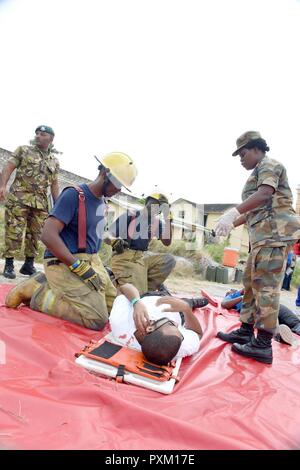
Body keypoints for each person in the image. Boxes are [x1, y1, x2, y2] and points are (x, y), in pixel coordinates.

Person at [5, 152, 138, 330]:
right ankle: (38, 291)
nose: (120, 190)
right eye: (119, 184)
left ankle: (53, 287)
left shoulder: (101, 202)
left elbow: (93, 231)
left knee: (112, 309)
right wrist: (77, 266)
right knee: (96, 319)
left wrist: (112, 240)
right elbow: (48, 235)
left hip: (91, 260)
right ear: (106, 174)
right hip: (63, 262)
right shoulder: (74, 195)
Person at [215, 131, 300, 364]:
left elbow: (264, 195)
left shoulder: (269, 164)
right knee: (251, 284)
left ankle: (263, 343)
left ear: (256, 149)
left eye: (243, 153)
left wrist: (234, 211)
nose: (241, 159)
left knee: (266, 288)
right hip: (262, 237)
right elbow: (254, 209)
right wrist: (229, 223)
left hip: (275, 235)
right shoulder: (256, 172)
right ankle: (245, 330)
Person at [0, 125, 60, 279]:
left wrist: (58, 205)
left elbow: (54, 184)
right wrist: (3, 186)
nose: (38, 136)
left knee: (36, 234)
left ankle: (28, 265)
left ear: (51, 138)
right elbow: (8, 167)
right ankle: (9, 264)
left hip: (40, 204)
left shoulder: (54, 161)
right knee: (14, 231)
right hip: (19, 199)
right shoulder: (23, 150)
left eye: (43, 134)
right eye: (37, 134)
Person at [109, 288, 206, 365]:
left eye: (171, 323)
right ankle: (190, 302)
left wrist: (135, 302)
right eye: (177, 329)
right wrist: (186, 309)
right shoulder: (179, 347)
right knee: (185, 304)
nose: (176, 324)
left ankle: (163, 290)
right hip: (177, 310)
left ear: (150, 328)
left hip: (149, 298)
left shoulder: (120, 324)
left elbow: (123, 288)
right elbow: (197, 333)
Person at [106, 192, 176, 295]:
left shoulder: (156, 223)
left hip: (142, 258)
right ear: (147, 202)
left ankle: (146, 290)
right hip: (125, 258)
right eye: (153, 204)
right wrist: (114, 241)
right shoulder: (131, 216)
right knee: (136, 294)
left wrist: (169, 220)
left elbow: (167, 242)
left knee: (169, 260)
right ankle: (121, 286)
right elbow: (107, 235)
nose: (155, 208)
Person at [221, 288, 300, 346]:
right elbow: (224, 304)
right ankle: (279, 334)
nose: (232, 289)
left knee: (295, 322)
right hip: (256, 308)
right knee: (268, 313)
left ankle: (289, 331)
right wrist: (243, 296)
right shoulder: (232, 296)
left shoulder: (246, 289)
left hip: (271, 304)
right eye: (230, 290)